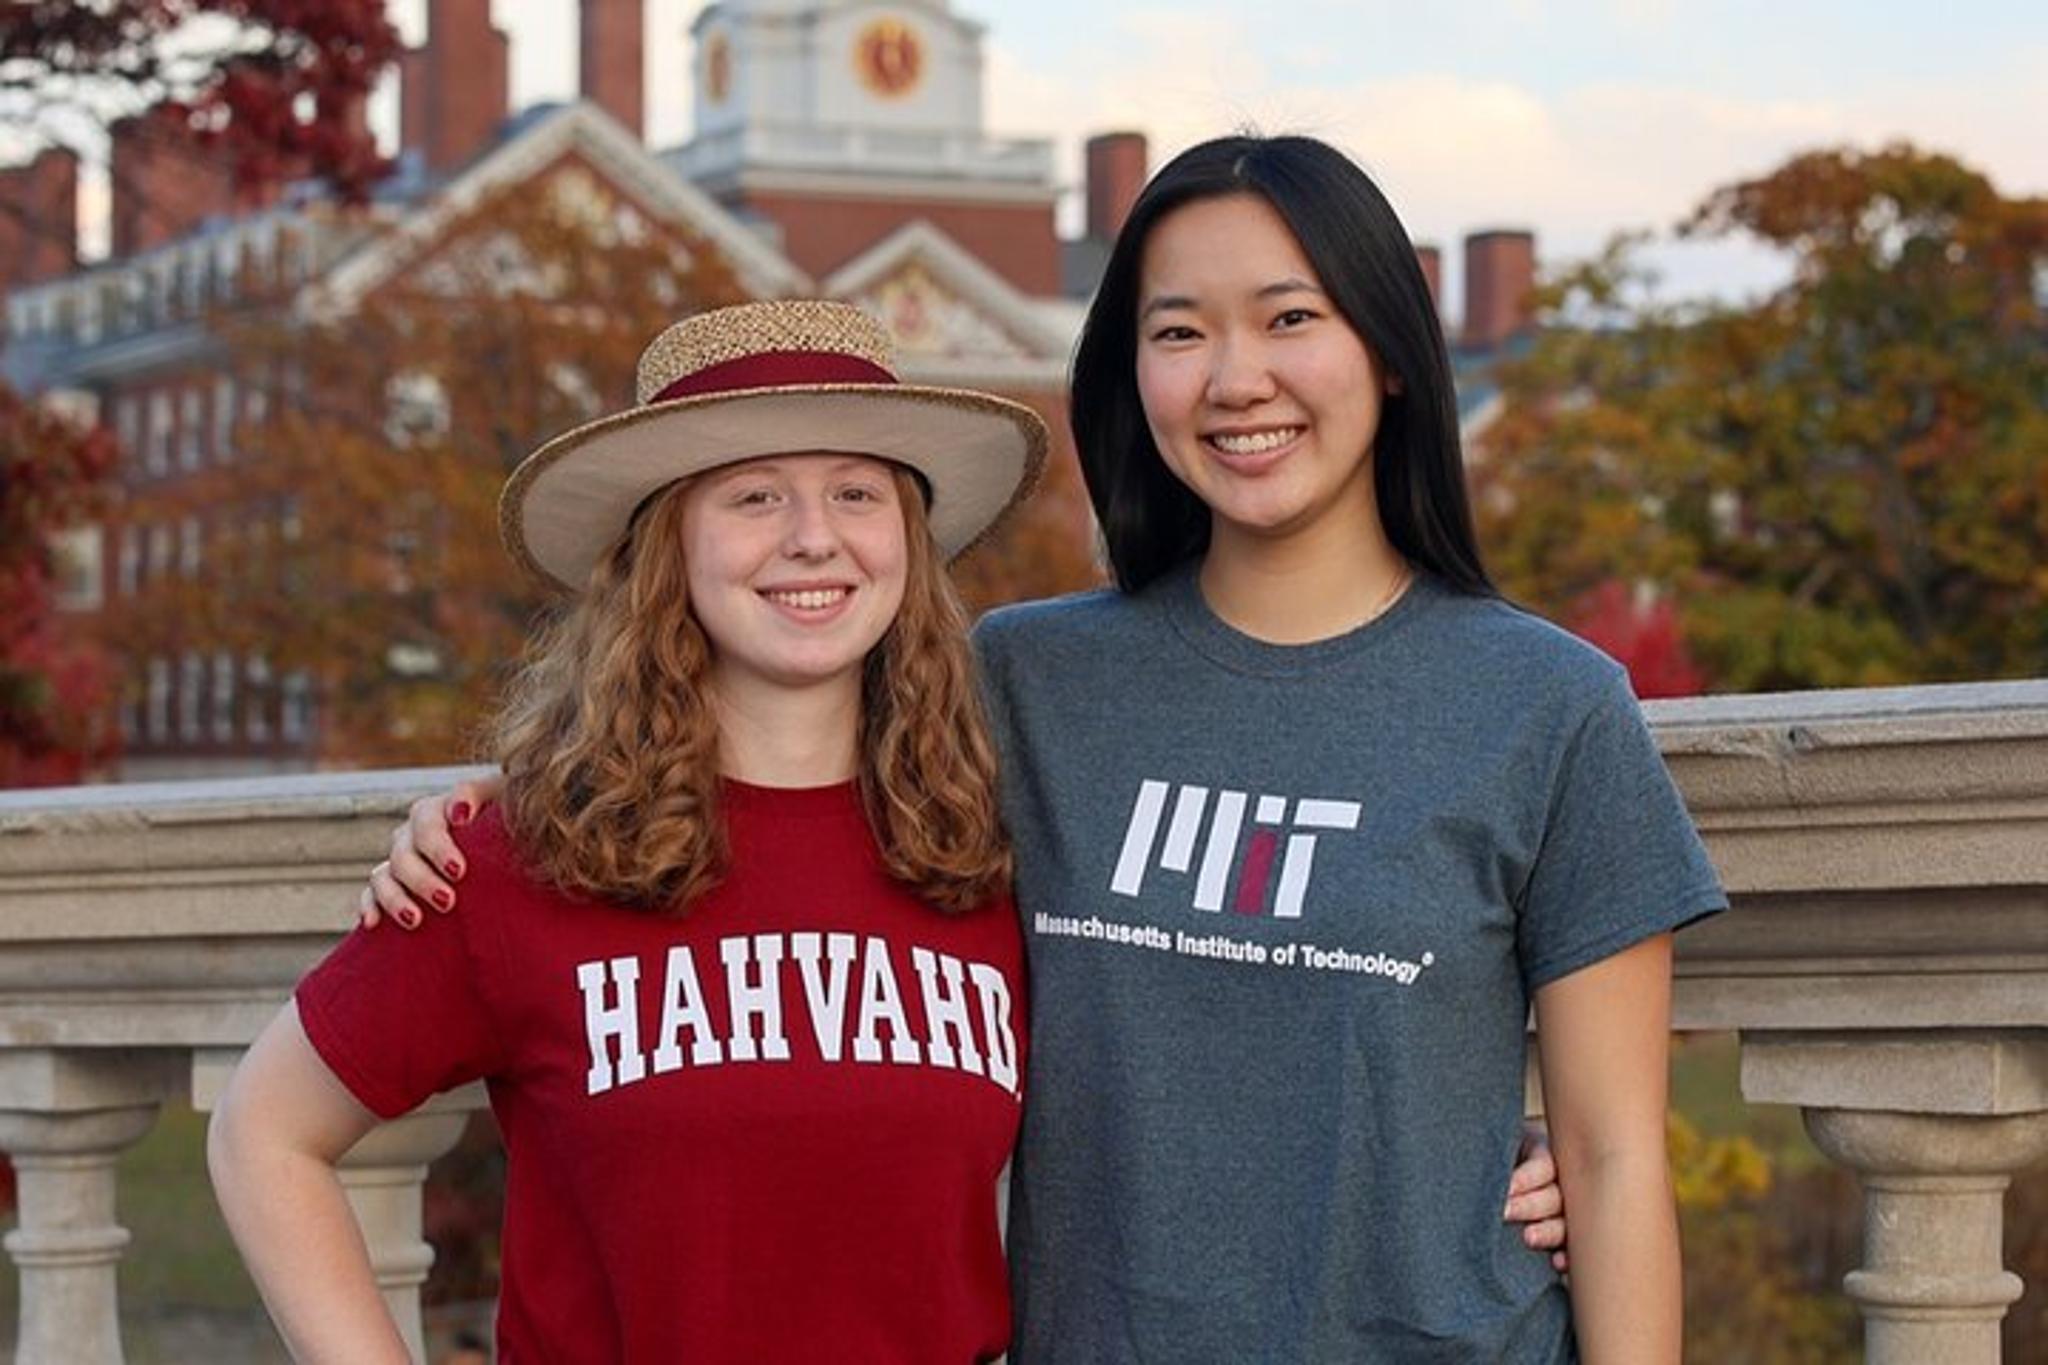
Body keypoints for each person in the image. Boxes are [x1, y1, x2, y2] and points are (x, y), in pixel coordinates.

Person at [368, 133, 1672, 1359]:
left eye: (1291, 317)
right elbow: (751, 739)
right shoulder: (1024, 680)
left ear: (1388, 349)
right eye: (1179, 332)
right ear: (1132, 375)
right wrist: (507, 806)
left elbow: (1615, 1161)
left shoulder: (1550, 708)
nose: (1236, 379)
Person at [208, 300, 1049, 1363]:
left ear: (906, 542)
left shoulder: (993, 849)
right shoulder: (521, 859)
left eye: (855, 492)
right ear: (668, 549)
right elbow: (264, 1134)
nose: (812, 536)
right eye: (753, 496)